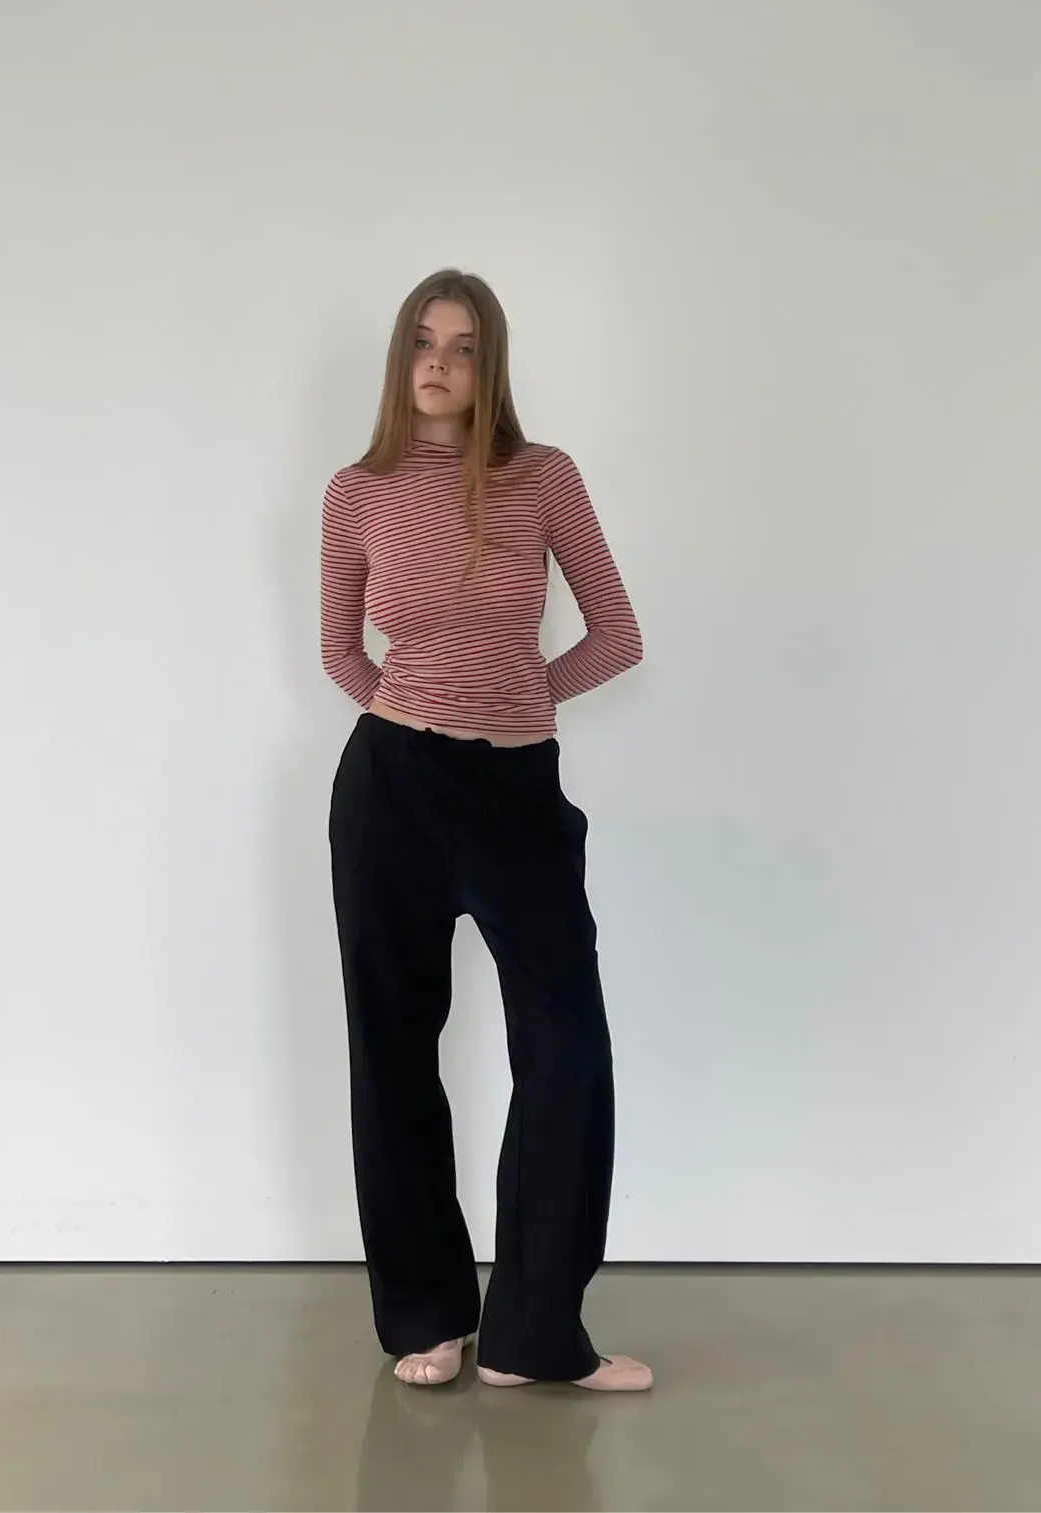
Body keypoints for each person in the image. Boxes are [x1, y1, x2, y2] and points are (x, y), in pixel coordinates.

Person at [320, 269, 651, 1392]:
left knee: (566, 1050)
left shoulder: (541, 477)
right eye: (424, 341)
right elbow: (340, 651)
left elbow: (617, 633)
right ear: (400, 356)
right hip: (392, 791)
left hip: (517, 793)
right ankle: (427, 1314)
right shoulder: (355, 492)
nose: (441, 363)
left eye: (464, 346)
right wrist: (419, 710)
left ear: (489, 364)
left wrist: (514, 698)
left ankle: (534, 1335)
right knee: (393, 1049)